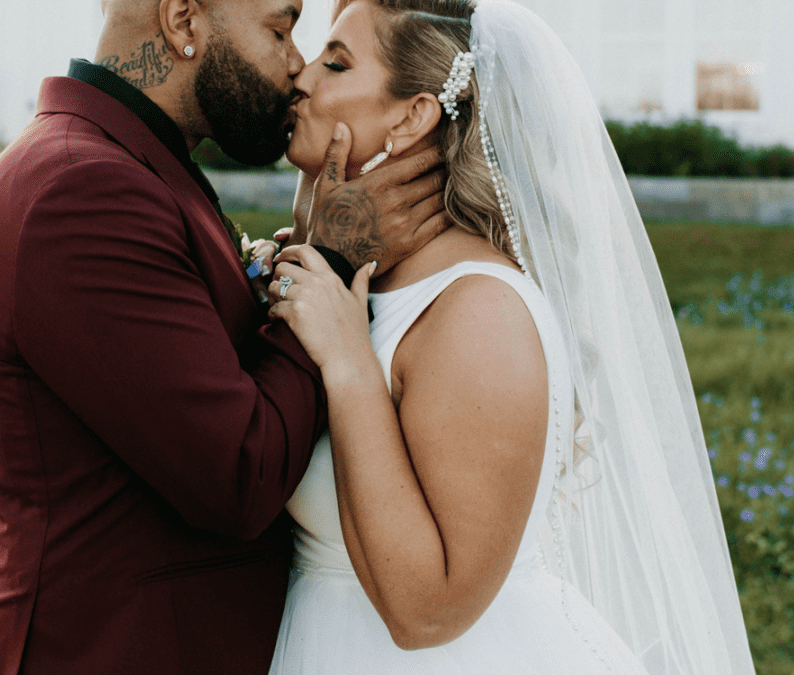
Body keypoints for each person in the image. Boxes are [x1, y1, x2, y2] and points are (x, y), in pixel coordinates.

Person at [0, 0, 448, 672]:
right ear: (184, 21)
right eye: (278, 29)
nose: (295, 63)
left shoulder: (136, 165)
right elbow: (240, 473)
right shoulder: (80, 189)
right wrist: (327, 265)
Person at [263, 0, 757, 673]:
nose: (300, 74)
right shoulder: (354, 278)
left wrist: (349, 360)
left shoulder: (477, 309)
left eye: (336, 61)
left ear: (412, 116)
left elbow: (429, 608)